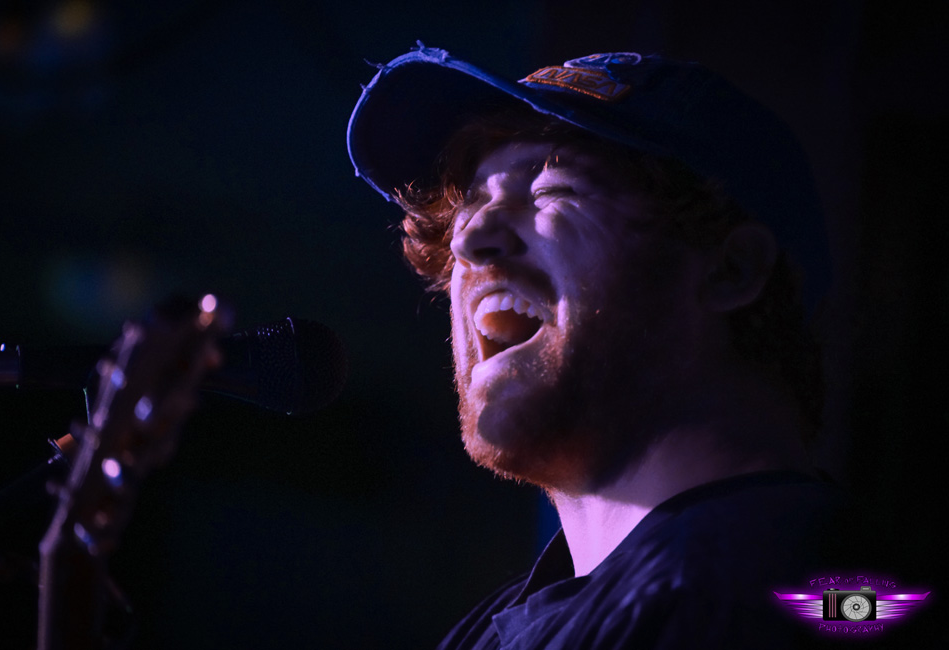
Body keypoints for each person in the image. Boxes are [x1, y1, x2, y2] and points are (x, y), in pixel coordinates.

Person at [348, 44, 844, 649]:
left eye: (552, 188)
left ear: (731, 269)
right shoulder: (490, 632)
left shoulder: (792, 601)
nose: (469, 238)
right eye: (471, 203)